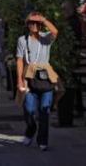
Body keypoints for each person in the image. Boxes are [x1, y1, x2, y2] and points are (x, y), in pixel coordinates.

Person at [16, 11, 59, 151]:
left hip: (45, 79)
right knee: (28, 110)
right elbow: (20, 60)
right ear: (27, 25)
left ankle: (42, 140)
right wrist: (19, 80)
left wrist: (43, 19)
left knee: (44, 112)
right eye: (31, 23)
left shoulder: (45, 38)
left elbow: (55, 31)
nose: (34, 26)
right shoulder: (23, 40)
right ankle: (31, 129)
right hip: (29, 78)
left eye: (37, 23)